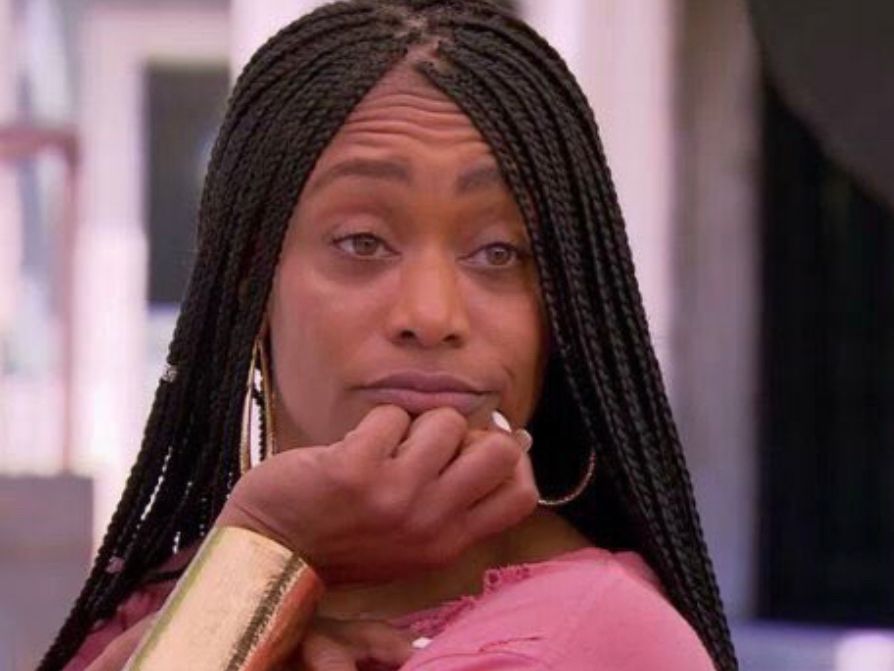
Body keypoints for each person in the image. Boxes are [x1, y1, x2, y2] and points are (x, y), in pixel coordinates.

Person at [41, 1, 738, 669]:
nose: (432, 315)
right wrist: (253, 592)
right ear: (252, 278)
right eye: (362, 241)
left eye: (499, 252)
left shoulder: (595, 641)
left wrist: (259, 560)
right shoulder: (158, 608)